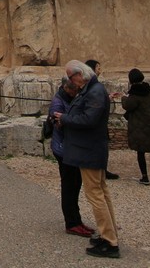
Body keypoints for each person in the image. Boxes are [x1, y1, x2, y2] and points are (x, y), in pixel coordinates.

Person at [57, 60, 121, 259]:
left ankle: (110, 242)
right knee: (101, 191)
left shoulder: (94, 91)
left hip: (89, 150)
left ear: (79, 75)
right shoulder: (92, 90)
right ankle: (108, 234)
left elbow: (89, 120)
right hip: (90, 149)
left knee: (95, 194)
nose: (70, 81)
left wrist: (65, 119)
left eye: (70, 77)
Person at [49, 75, 94, 238]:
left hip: (71, 149)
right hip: (63, 150)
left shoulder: (68, 98)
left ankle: (77, 220)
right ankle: (72, 223)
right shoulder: (58, 102)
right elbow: (59, 125)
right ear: (67, 88)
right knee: (69, 187)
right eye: (75, 89)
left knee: (75, 185)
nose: (77, 92)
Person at [85, 59, 120, 181]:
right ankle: (98, 169)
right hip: (97, 122)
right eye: (98, 68)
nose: (100, 71)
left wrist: (108, 97)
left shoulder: (94, 85)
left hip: (99, 122)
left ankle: (102, 169)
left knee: (102, 146)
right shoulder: (92, 85)